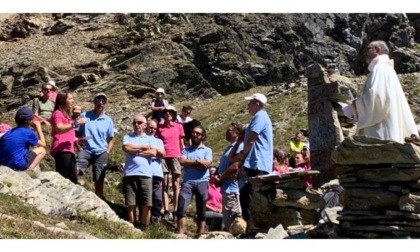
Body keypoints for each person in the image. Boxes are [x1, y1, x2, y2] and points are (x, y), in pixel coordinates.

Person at [353, 40, 419, 143]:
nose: (365, 53)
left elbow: (377, 98)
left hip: (380, 131)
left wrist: (356, 104)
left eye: (368, 49)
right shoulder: (388, 70)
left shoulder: (380, 68)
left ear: (377, 50)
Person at [235, 93, 273, 230]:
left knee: (251, 196)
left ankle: (255, 227)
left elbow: (251, 139)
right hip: (256, 162)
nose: (248, 105)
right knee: (248, 194)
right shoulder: (261, 117)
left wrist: (242, 155)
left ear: (257, 104)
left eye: (250, 103)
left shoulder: (260, 117)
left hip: (258, 162)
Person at [76, 93, 115, 198]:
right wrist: (79, 147)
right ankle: (71, 192)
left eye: (103, 101)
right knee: (76, 169)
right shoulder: (85, 115)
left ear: (105, 104)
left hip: (101, 152)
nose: (100, 103)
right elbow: (76, 134)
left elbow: (110, 139)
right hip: (86, 150)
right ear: (94, 102)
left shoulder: (108, 120)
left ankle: (99, 200)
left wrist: (107, 152)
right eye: (98, 100)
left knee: (99, 179)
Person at [122, 115, 156, 228]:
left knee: (146, 203)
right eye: (134, 122)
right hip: (130, 174)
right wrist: (143, 147)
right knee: (131, 203)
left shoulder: (150, 139)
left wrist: (135, 150)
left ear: (145, 125)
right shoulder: (127, 136)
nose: (137, 125)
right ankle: (132, 226)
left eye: (139, 122)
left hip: (145, 174)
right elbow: (126, 148)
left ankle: (144, 225)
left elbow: (153, 153)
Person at [176, 125, 212, 235]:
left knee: (201, 210)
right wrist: (198, 162)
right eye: (193, 132)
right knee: (181, 207)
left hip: (202, 181)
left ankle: (200, 233)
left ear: (202, 136)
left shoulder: (207, 150)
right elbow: (182, 161)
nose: (195, 134)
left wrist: (191, 162)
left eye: (198, 133)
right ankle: (181, 233)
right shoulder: (186, 150)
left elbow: (207, 164)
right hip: (188, 182)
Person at [155, 105, 185, 220]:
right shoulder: (160, 127)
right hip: (163, 156)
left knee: (176, 184)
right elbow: (157, 141)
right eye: (166, 112)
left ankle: (176, 209)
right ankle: (166, 209)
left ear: (173, 114)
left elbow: (181, 143)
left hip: (176, 156)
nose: (168, 114)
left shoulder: (179, 127)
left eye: (170, 112)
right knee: (165, 184)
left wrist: (183, 157)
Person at [50, 91, 86, 184]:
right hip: (61, 149)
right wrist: (76, 123)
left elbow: (69, 134)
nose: (73, 101)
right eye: (70, 99)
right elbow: (59, 128)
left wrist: (78, 144)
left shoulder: (67, 116)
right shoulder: (57, 113)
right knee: (63, 178)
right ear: (62, 100)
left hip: (69, 150)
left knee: (73, 179)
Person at [214, 122, 243, 231]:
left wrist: (221, 177)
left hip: (232, 189)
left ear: (236, 133)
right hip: (226, 189)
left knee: (233, 221)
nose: (226, 132)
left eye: (229, 130)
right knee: (228, 219)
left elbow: (236, 166)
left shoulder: (240, 146)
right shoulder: (230, 148)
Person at [0, 107, 46, 172]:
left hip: (3, 164)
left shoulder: (9, 132)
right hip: (17, 165)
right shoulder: (27, 132)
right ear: (29, 121)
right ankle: (28, 170)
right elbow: (43, 144)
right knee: (42, 150)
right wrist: (38, 127)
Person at [145, 119, 166, 223]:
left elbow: (162, 154)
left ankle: (155, 221)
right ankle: (145, 221)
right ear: (145, 127)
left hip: (156, 173)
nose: (152, 130)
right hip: (144, 172)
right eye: (150, 127)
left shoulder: (159, 141)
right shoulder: (141, 139)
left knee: (157, 199)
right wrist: (154, 152)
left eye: (154, 128)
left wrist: (150, 151)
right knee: (146, 199)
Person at [205, 167, 224, 231]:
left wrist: (221, 209)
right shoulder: (206, 186)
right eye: (211, 174)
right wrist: (215, 210)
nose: (213, 176)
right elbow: (203, 203)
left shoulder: (221, 187)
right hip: (209, 210)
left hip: (220, 210)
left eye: (215, 174)